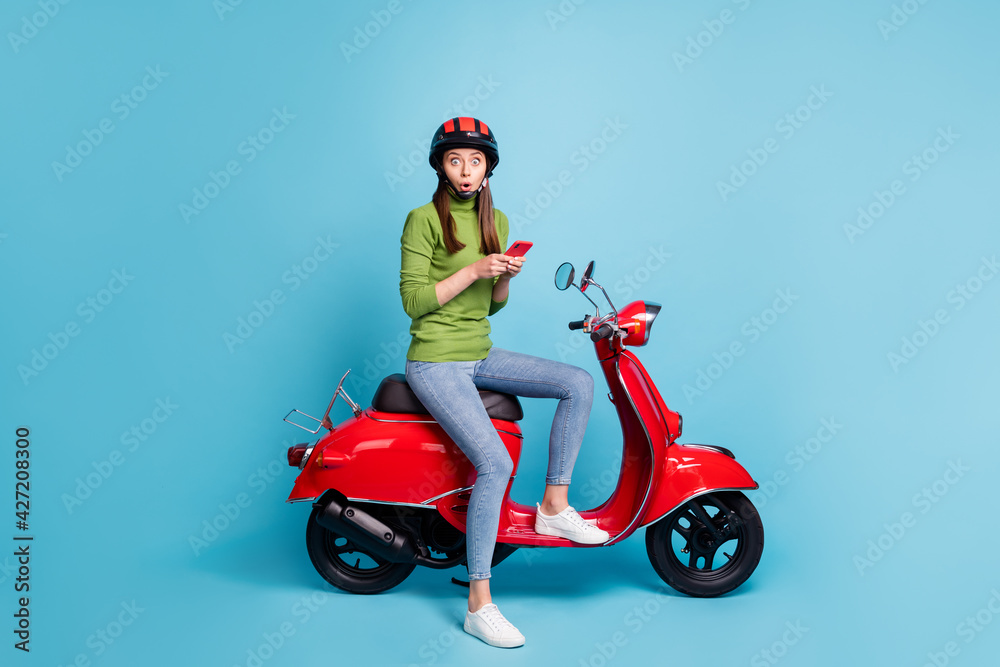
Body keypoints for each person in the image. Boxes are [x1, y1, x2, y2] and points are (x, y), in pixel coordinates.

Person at [399, 117, 609, 649]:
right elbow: (414, 302)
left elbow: (490, 308)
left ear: (488, 169)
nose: (465, 170)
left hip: (480, 352)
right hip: (436, 362)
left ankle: (554, 507)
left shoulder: (498, 220)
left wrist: (504, 279)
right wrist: (473, 270)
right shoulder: (422, 220)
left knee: (578, 382)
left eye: (475, 161)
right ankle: (478, 604)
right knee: (494, 463)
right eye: (455, 160)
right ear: (441, 167)